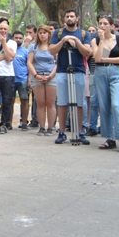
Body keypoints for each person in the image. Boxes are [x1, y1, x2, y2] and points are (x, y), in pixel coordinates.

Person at [48, 9, 91, 145]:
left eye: (72, 16)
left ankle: (80, 132)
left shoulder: (84, 34)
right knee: (62, 103)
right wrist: (64, 40)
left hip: (78, 70)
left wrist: (76, 40)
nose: (69, 18)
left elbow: (87, 52)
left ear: (77, 18)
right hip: (62, 70)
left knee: (79, 102)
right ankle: (61, 132)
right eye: (67, 16)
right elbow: (52, 50)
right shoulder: (58, 33)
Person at [92, 14, 119, 151]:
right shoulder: (96, 40)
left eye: (105, 23)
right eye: (100, 23)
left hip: (116, 73)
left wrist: (106, 59)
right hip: (101, 73)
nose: (102, 26)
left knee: (116, 104)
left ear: (111, 25)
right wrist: (102, 41)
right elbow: (97, 59)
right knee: (104, 105)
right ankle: (109, 138)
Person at [27, 25, 58, 136]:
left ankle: (50, 127)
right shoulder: (33, 47)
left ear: (49, 34)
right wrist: (35, 75)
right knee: (40, 103)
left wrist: (50, 76)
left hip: (51, 76)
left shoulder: (53, 46)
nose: (42, 35)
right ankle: (41, 127)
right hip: (37, 76)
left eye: (45, 32)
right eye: (40, 33)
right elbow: (29, 62)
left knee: (50, 103)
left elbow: (57, 63)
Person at [11, 31, 31, 130]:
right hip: (10, 79)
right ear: (12, 38)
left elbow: (29, 65)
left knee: (24, 101)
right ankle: (8, 123)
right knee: (10, 101)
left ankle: (24, 122)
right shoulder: (9, 50)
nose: (18, 39)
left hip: (23, 79)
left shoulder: (26, 51)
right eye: (16, 37)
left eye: (20, 38)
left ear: (23, 40)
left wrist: (29, 79)